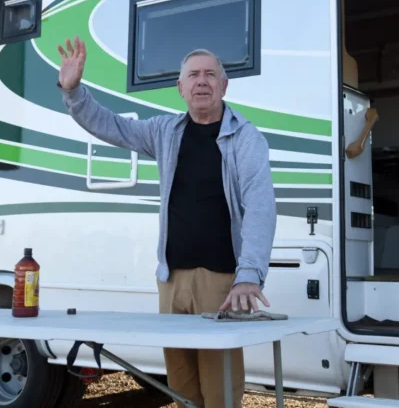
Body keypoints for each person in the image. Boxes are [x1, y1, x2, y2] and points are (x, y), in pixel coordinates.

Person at [57, 36, 277, 408]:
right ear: (180, 88)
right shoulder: (165, 132)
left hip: (221, 282)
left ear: (224, 86)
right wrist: (73, 91)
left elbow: (260, 206)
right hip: (171, 280)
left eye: (210, 74)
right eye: (193, 75)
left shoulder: (246, 138)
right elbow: (111, 126)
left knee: (220, 392)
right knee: (181, 388)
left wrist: (249, 274)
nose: (202, 81)